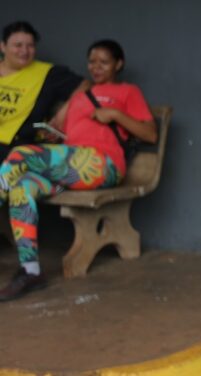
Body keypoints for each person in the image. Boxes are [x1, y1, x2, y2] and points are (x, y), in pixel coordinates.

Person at [0, 39, 157, 300]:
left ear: (119, 64)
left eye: (104, 62)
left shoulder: (128, 92)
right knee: (21, 187)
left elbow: (150, 134)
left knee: (20, 155)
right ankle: (31, 271)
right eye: (92, 62)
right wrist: (53, 136)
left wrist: (116, 115)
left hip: (101, 164)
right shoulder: (80, 98)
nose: (96, 67)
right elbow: (71, 140)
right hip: (71, 168)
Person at [0, 21, 86, 163]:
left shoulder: (48, 73)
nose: (24, 51)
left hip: (14, 147)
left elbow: (86, 85)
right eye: (18, 45)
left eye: (30, 46)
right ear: (3, 46)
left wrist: (63, 111)